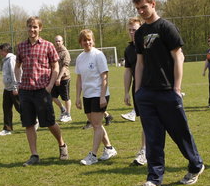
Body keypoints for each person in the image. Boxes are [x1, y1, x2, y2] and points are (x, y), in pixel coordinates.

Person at [132, 0, 205, 186]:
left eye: (144, 7)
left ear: (153, 4)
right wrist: (138, 90)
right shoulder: (140, 34)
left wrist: (177, 88)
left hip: (167, 92)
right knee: (153, 138)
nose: (141, 11)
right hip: (147, 94)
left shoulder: (166, 27)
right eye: (138, 9)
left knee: (180, 133)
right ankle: (154, 179)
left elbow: (178, 57)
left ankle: (196, 165)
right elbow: (140, 62)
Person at [14, 17, 68, 166]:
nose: (32, 30)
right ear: (27, 28)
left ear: (40, 28)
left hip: (42, 91)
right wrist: (18, 83)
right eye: (30, 27)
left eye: (35, 27)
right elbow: (17, 66)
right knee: (29, 124)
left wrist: (50, 85)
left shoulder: (48, 46)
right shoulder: (21, 47)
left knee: (49, 122)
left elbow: (55, 67)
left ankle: (62, 145)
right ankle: (34, 155)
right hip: (25, 91)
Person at [75, 29, 117, 165]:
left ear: (93, 40)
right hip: (87, 95)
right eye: (84, 40)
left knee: (97, 124)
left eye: (89, 39)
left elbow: (104, 76)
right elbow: (79, 79)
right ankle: (109, 148)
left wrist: (102, 96)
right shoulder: (80, 58)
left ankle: (93, 155)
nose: (87, 42)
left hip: (99, 94)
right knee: (95, 124)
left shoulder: (98, 55)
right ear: (80, 42)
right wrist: (77, 97)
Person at [122, 17, 146, 165]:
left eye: (135, 30)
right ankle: (145, 150)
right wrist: (126, 92)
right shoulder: (128, 49)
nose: (132, 32)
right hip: (138, 91)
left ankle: (146, 150)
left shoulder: (148, 45)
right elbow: (128, 72)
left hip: (153, 88)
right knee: (145, 121)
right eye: (130, 30)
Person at [0, 43, 21, 136]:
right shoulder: (6, 60)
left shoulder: (12, 59)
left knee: (19, 107)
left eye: (1, 51)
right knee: (6, 108)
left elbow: (15, 73)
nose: (0, 53)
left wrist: (15, 87)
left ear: (5, 51)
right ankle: (7, 129)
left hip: (13, 88)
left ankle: (33, 119)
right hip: (7, 88)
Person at [51, 35, 72, 123]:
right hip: (55, 78)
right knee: (52, 96)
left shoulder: (65, 52)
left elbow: (64, 66)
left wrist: (59, 78)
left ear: (62, 41)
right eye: (56, 41)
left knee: (66, 97)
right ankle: (63, 109)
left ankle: (68, 115)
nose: (57, 42)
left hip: (64, 78)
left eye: (59, 41)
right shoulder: (54, 51)